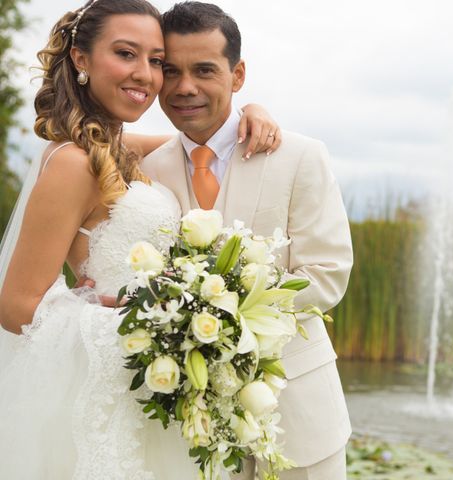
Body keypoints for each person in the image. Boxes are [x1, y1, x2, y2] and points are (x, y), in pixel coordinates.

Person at [0, 1, 280, 478]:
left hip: (155, 383)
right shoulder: (72, 163)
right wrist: (141, 318)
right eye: (126, 54)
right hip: (120, 378)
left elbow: (202, 138)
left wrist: (250, 110)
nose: (146, 75)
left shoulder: (115, 147)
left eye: (156, 61)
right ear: (81, 59)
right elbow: (16, 306)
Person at [142, 3, 353, 479]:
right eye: (170, 70)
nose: (184, 87)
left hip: (298, 415)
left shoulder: (298, 156)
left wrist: (222, 316)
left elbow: (327, 274)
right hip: (191, 430)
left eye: (204, 70)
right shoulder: (148, 171)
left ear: (237, 76)